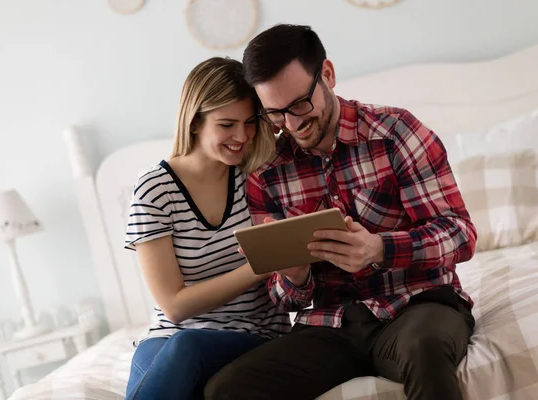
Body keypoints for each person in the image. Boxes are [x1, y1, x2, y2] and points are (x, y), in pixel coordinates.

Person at [204, 24, 477, 400]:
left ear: (328, 75)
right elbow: (283, 300)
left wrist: (380, 249)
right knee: (226, 389)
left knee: (424, 349)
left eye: (299, 104)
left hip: (418, 304)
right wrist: (295, 279)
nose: (293, 124)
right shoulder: (267, 173)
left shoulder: (395, 132)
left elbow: (461, 234)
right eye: (276, 114)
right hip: (332, 325)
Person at [123, 57, 291, 400]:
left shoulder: (259, 178)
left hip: (253, 335)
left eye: (249, 122)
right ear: (195, 122)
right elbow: (174, 306)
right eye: (227, 124)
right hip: (169, 337)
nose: (241, 136)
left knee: (187, 349)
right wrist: (259, 266)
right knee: (170, 355)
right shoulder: (154, 189)